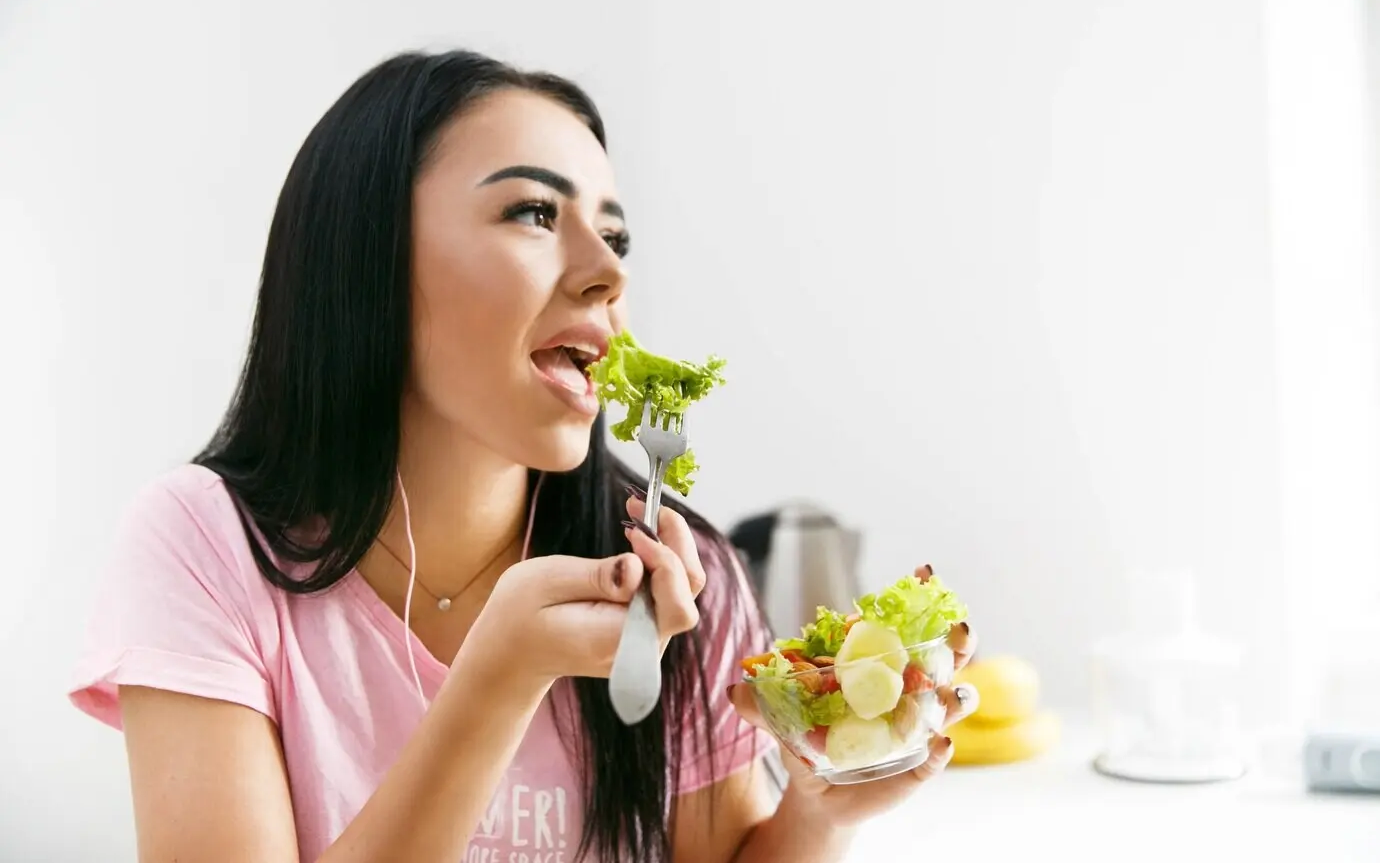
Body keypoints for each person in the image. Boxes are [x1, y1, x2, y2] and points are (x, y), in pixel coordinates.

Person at [67, 49, 979, 863]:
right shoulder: (206, 546)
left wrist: (817, 819)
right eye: (535, 211)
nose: (610, 271)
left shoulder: (679, 576)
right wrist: (497, 679)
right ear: (369, 256)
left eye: (616, 236)